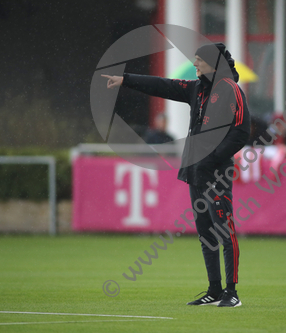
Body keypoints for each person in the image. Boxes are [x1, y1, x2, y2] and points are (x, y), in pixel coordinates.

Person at [103, 43, 250, 307]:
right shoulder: (196, 89)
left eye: (198, 62)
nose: (195, 66)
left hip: (215, 172)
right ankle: (214, 290)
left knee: (225, 231)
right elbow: (163, 85)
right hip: (196, 171)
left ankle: (232, 293)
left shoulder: (231, 90)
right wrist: (126, 80)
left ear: (213, 63)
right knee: (205, 232)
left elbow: (241, 132)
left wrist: (213, 158)